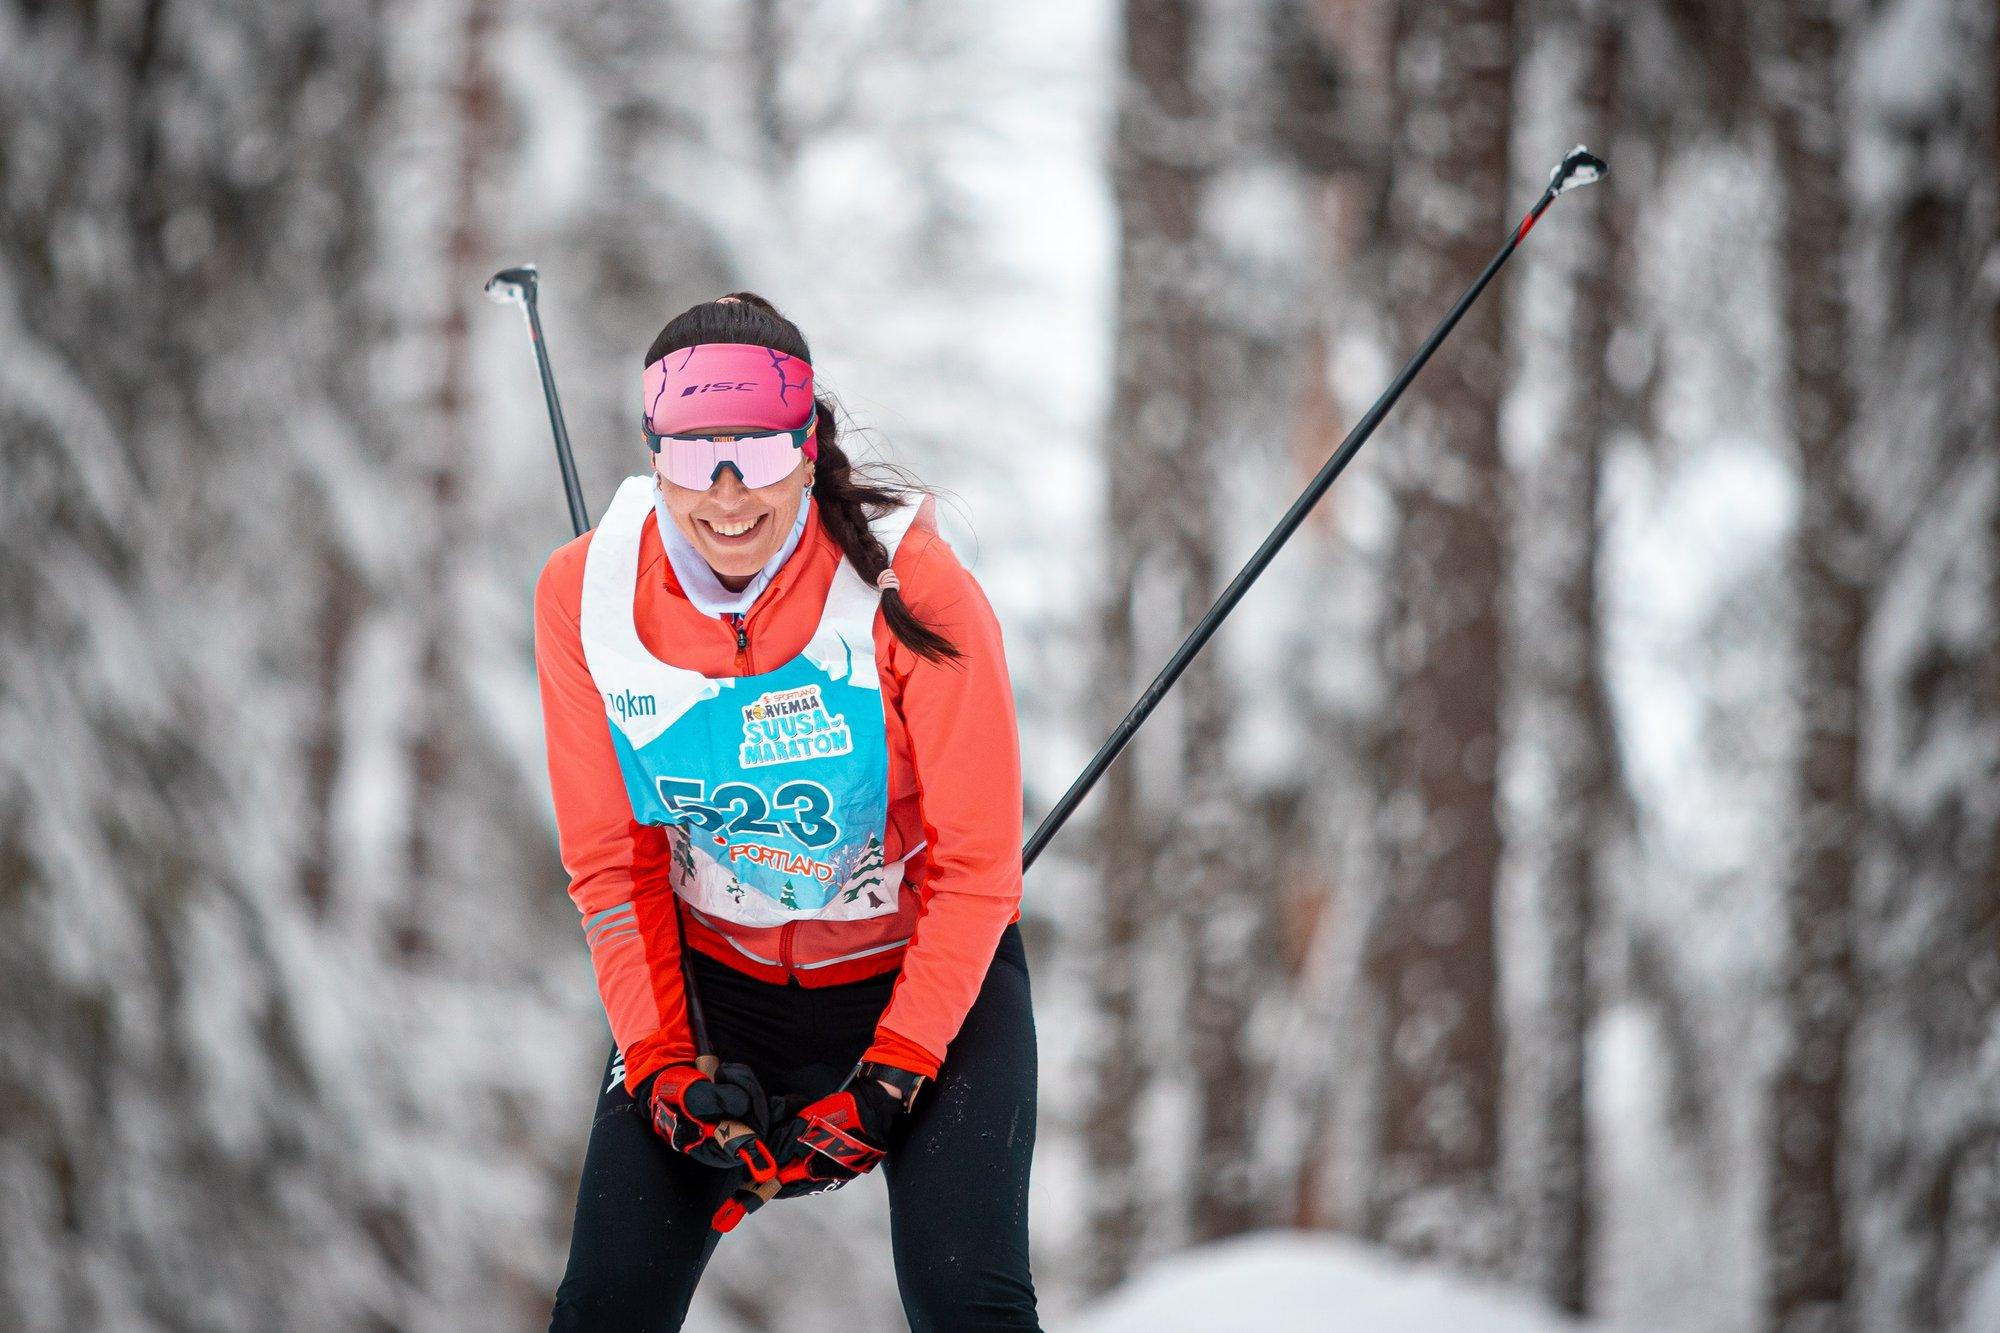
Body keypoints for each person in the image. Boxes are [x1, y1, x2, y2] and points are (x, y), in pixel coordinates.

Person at [535, 292, 1041, 1330]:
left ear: (808, 450)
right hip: (716, 995)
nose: (726, 496)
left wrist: (894, 1074)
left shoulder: (911, 586)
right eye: (692, 456)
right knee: (603, 1307)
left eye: (758, 456)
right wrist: (667, 1065)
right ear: (653, 454)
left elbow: (978, 868)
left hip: (923, 978)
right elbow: (612, 867)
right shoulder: (585, 596)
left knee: (969, 1301)